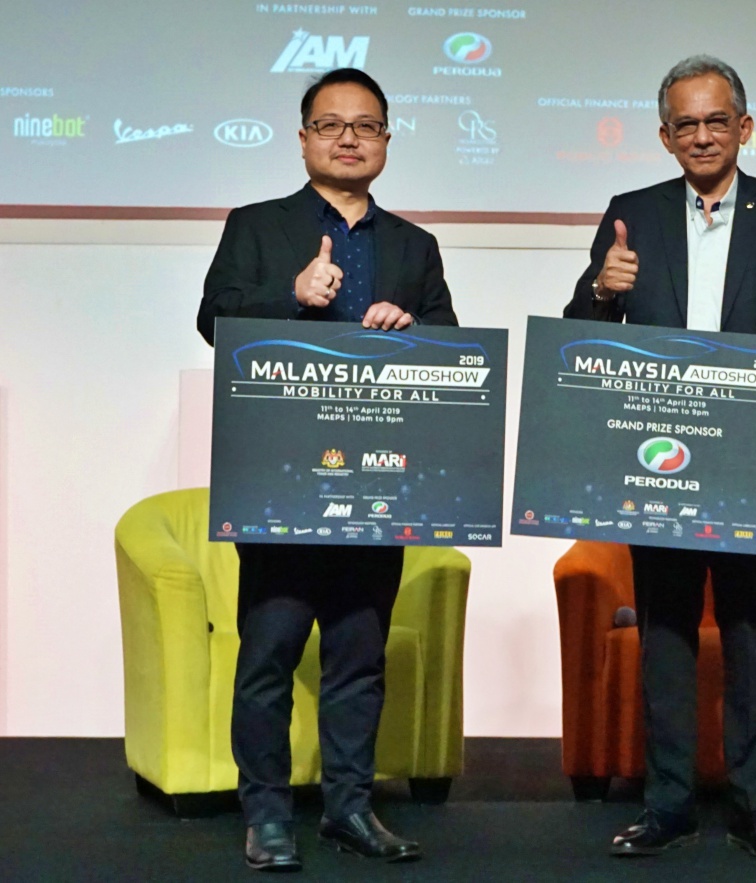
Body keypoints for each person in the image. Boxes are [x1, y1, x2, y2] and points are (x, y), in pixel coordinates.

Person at [565, 55, 756, 863]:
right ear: (665, 136)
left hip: (748, 458)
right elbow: (583, 335)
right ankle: (667, 805)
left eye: (716, 120)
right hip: (656, 460)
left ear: (744, 127)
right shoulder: (631, 214)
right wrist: (603, 288)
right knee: (664, 629)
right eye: (685, 124)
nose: (701, 135)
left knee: (750, 629)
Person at [198, 67, 457, 872]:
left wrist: (410, 328)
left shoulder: (413, 245)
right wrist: (292, 295)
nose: (349, 138)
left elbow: (451, 349)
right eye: (332, 124)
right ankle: (267, 815)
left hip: (377, 482)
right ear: (304, 136)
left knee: (357, 656)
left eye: (366, 125)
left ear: (387, 140)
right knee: (269, 652)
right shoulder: (256, 225)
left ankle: (349, 808)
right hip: (282, 480)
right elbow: (214, 319)